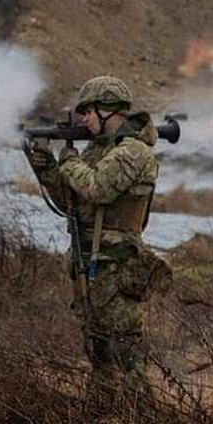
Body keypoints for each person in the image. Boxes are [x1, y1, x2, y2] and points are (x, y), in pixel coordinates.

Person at [23, 76, 166, 400]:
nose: (84, 119)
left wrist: (69, 160)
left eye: (88, 112)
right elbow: (71, 204)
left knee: (128, 352)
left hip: (117, 267)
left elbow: (97, 188)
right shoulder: (97, 150)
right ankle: (102, 421)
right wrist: (47, 171)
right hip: (90, 264)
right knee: (97, 352)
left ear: (108, 110)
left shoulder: (133, 151)